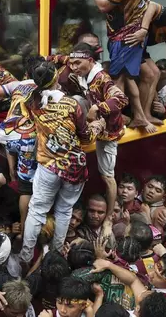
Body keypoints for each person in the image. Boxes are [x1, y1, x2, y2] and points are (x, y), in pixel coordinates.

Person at [18, 62, 104, 267]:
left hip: (48, 165)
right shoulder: (71, 105)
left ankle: (25, 257)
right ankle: (55, 255)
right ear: (56, 79)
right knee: (64, 210)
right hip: (73, 167)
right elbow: (86, 138)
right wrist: (97, 125)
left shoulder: (30, 101)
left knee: (37, 211)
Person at [83, 0, 153, 133]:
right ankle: (138, 115)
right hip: (130, 30)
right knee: (129, 76)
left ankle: (117, 120)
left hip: (125, 35)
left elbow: (104, 5)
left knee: (117, 79)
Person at [68, 41, 128, 221]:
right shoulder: (83, 72)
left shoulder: (102, 78)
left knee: (107, 176)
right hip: (93, 123)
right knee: (76, 99)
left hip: (108, 133)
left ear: (90, 60)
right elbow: (64, 59)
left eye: (77, 63)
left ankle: (109, 217)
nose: (73, 67)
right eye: (71, 64)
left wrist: (98, 108)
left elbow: (122, 99)